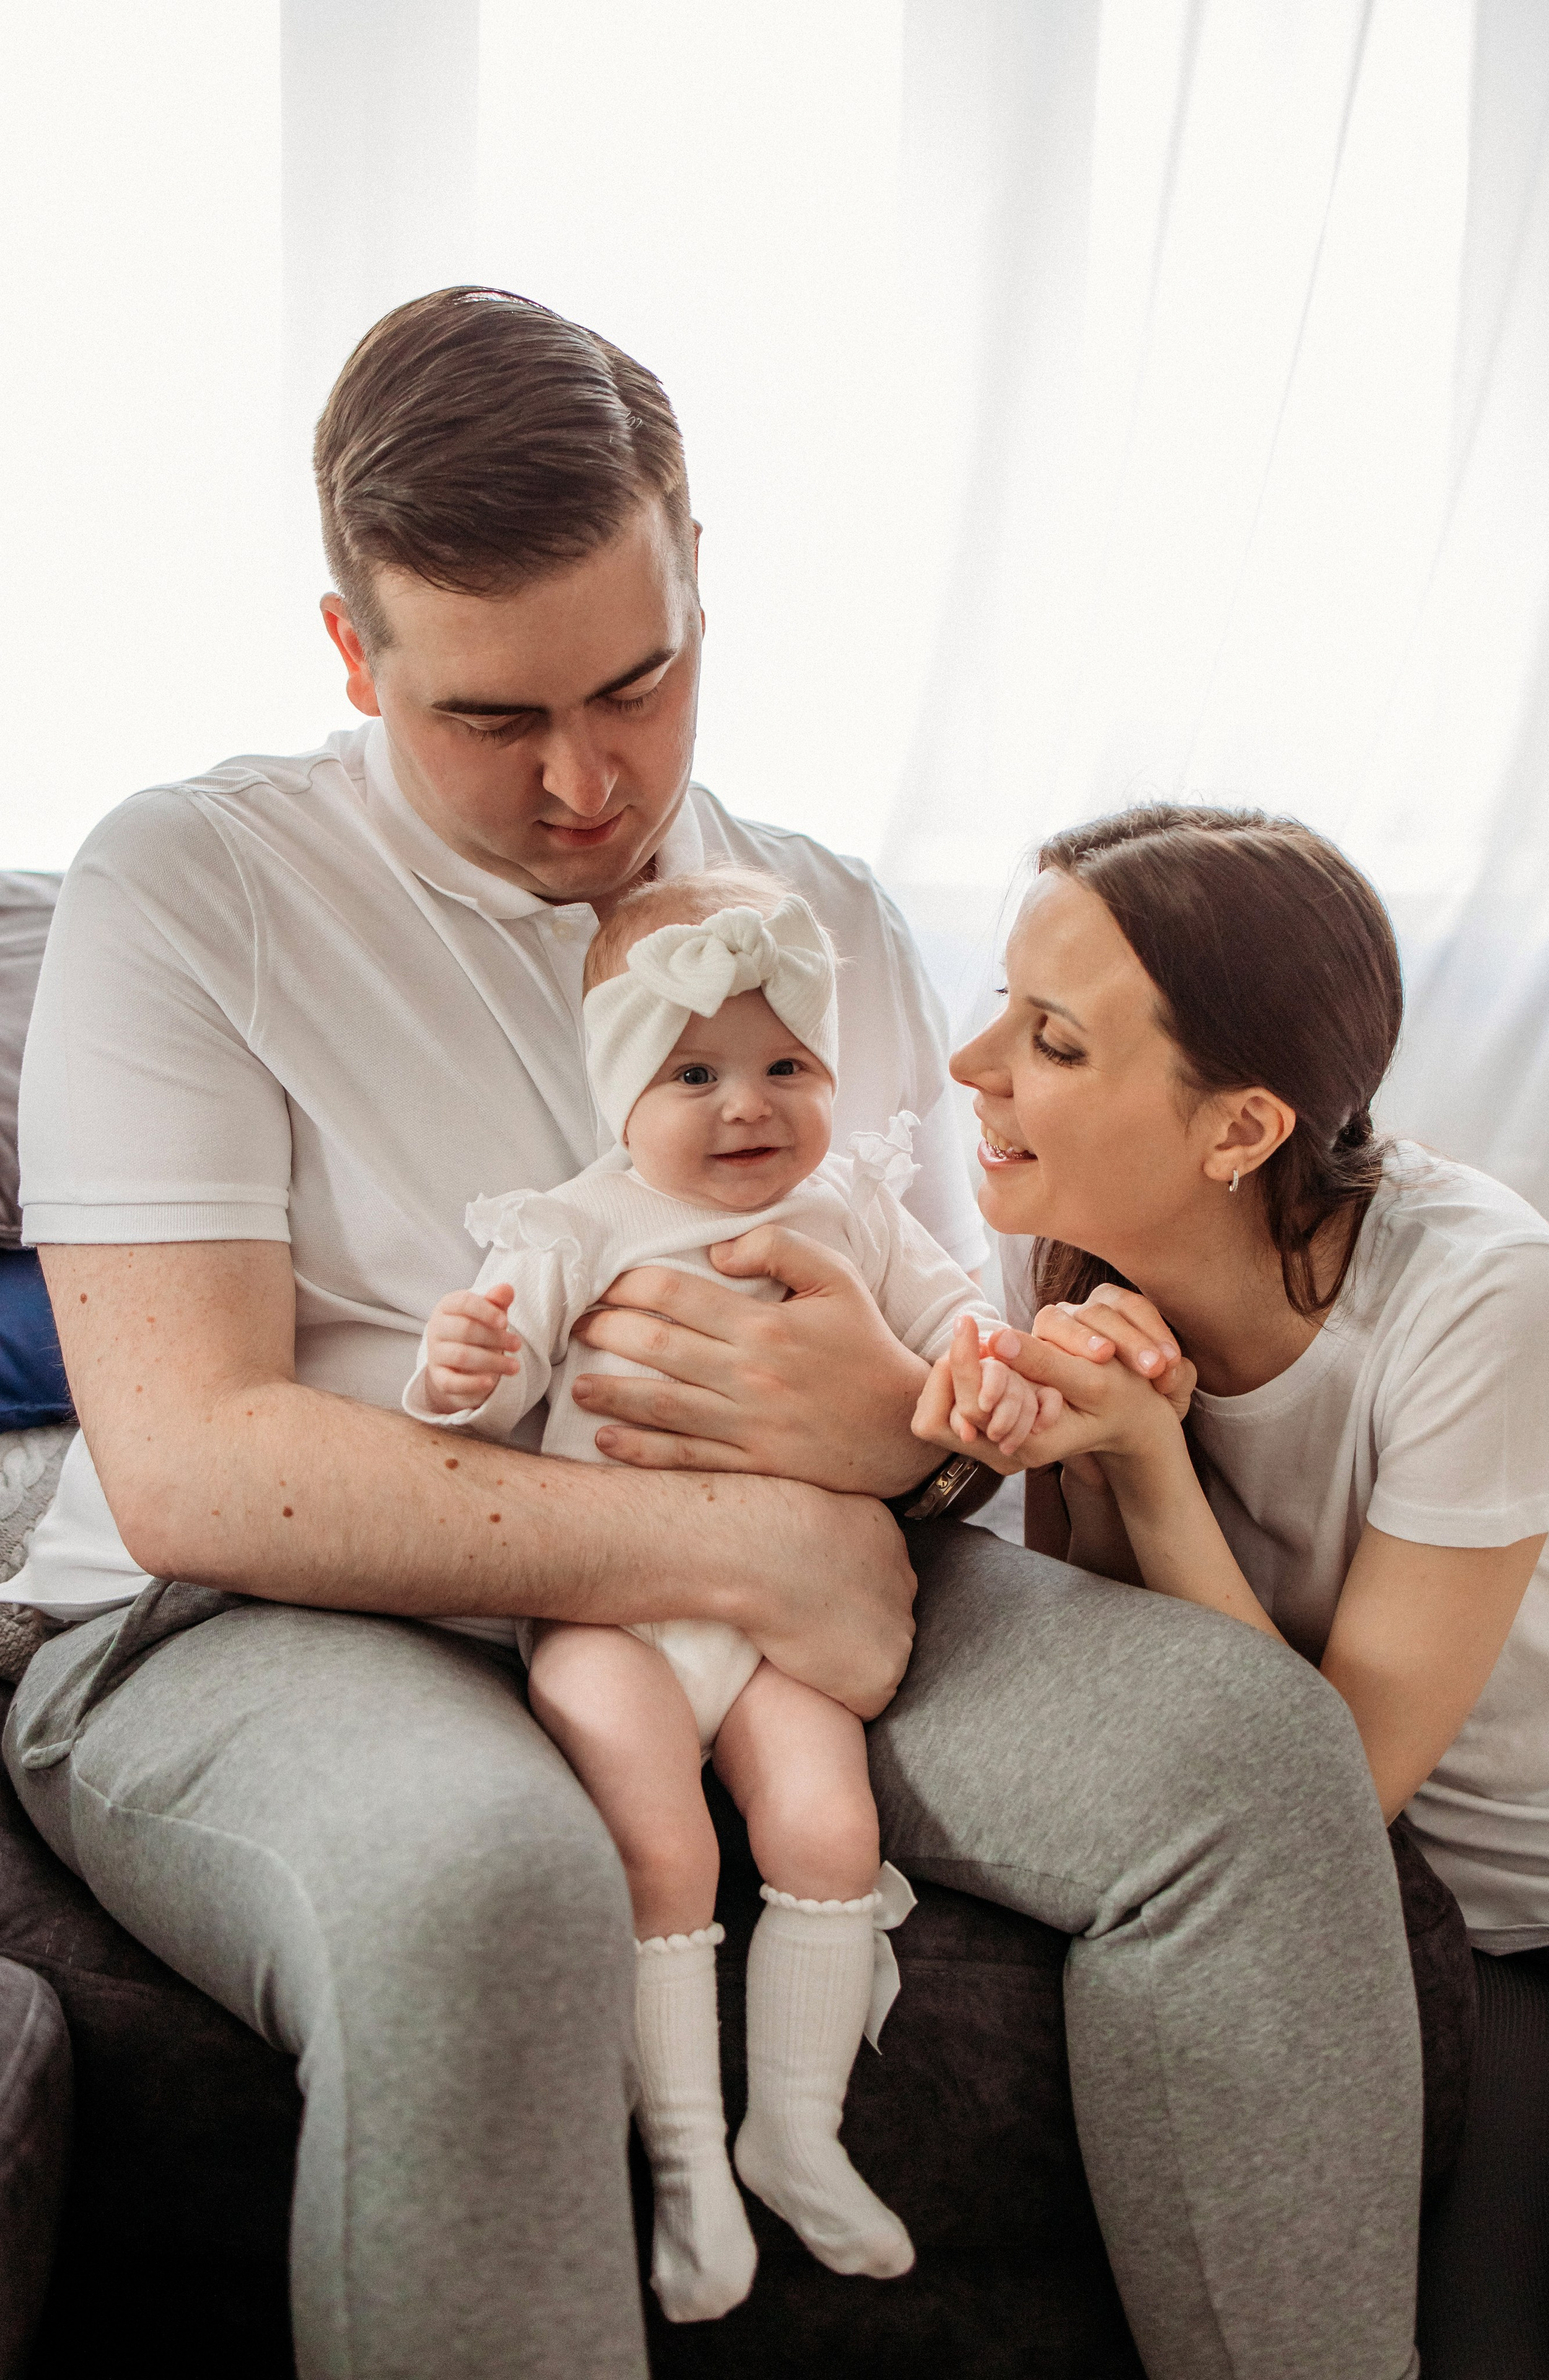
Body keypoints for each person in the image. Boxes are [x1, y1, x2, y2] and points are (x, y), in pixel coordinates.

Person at [1, 291, 1424, 2380]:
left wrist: (908, 1445)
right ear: (352, 654)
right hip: (245, 1615)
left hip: (810, 1577)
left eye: (637, 681)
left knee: (1256, 1755)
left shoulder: (821, 913)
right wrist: (745, 1549)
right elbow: (197, 1460)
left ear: (696, 580)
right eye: (489, 718)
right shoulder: (190, 883)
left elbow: (947, 1398)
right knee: (489, 1888)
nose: (587, 780)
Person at [915, 799, 1549, 2313]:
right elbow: (1120, 1669)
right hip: (1393, 1914)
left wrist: (1147, 1463)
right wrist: (1061, 1445)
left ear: (1240, 1127)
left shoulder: (1489, 1300)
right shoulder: (1069, 1226)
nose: (974, 1070)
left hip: (1548, 1897)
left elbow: (1328, 1793)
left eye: (1054, 1041)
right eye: (1001, 1013)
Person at [410, 869, 1019, 2320]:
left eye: (784, 1067)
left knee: (824, 1823)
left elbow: (953, 1325)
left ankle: (792, 2132)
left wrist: (983, 1370)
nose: (747, 1105)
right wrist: (457, 1371)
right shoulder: (573, 1224)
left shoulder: (855, 1205)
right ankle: (684, 2157)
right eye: (694, 1072)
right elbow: (474, 1421)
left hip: (782, 1624)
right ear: (620, 1091)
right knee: (661, 1848)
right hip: (612, 1613)